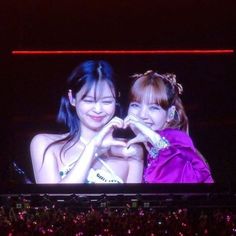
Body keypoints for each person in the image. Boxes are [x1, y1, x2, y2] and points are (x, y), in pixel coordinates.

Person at [30, 60, 143, 184]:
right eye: (89, 101)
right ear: (72, 98)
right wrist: (92, 147)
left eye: (107, 102)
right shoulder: (45, 144)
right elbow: (53, 200)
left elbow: (133, 203)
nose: (98, 110)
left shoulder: (130, 150)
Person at [124, 70, 214, 183]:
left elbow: (188, 182)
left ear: (170, 114)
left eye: (153, 108)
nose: (142, 115)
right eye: (135, 105)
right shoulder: (135, 144)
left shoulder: (176, 139)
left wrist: (155, 139)